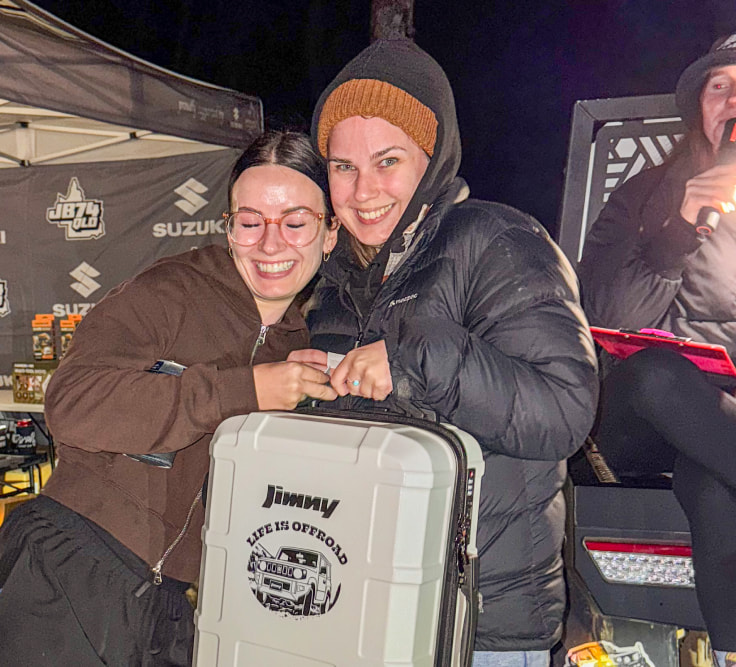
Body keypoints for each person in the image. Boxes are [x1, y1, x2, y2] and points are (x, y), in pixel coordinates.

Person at [0, 130, 339, 667]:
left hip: (170, 606)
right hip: (69, 573)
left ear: (330, 233)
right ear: (229, 228)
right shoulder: (170, 291)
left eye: (295, 223)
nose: (271, 244)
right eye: (251, 222)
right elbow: (71, 402)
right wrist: (246, 388)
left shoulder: (297, 345)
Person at [288, 39, 600, 663]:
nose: (363, 189)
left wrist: (412, 359)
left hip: (482, 624)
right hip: (362, 606)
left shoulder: (496, 240)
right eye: (343, 166)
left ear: (431, 159)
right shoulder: (333, 280)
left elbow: (564, 412)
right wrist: (307, 395)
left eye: (388, 160)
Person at [578, 31, 736, 665]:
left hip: (721, 430)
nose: (734, 101)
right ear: (699, 107)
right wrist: (677, 234)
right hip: (641, 418)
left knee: (712, 484)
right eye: (720, 86)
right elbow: (602, 312)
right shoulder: (644, 193)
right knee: (656, 375)